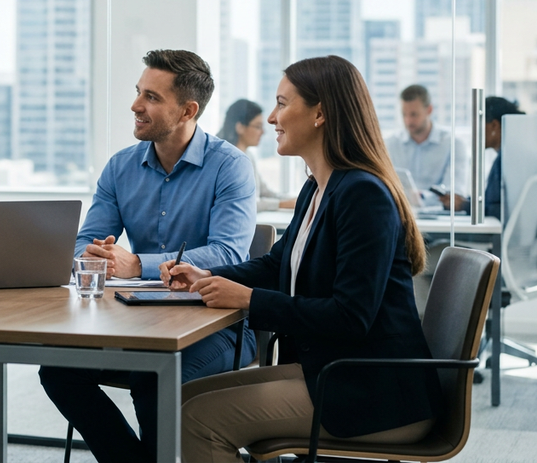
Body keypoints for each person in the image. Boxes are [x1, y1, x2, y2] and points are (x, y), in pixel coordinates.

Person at [167, 56, 441, 462]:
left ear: (320, 114)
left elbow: (351, 317)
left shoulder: (363, 195)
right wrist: (206, 275)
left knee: (196, 419)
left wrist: (247, 299)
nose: (273, 117)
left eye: (282, 103)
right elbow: (278, 266)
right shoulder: (317, 189)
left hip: (374, 391)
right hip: (335, 371)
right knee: (184, 399)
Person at [38, 49, 257, 463]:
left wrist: (138, 265)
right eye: (139, 92)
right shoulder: (120, 167)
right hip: (136, 322)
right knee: (58, 371)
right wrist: (93, 256)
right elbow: (81, 243)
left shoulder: (231, 167)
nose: (136, 105)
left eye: (152, 97)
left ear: (188, 109)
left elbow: (229, 253)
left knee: (152, 378)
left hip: (219, 327)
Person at [385, 84, 469, 211]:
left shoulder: (454, 144)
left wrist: (422, 197)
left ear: (429, 110)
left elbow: (454, 194)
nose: (408, 121)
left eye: (414, 114)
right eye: (404, 115)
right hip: (400, 215)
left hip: (440, 220)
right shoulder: (390, 145)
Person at [218, 98, 295, 211]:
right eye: (258, 126)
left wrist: (298, 199)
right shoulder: (229, 160)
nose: (263, 132)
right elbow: (247, 202)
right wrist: (282, 204)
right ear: (240, 127)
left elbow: (264, 192)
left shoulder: (248, 155)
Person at [485, 96, 525, 219]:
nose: (474, 132)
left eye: (477, 124)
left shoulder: (508, 159)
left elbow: (500, 209)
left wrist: (465, 205)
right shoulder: (511, 154)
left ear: (494, 125)